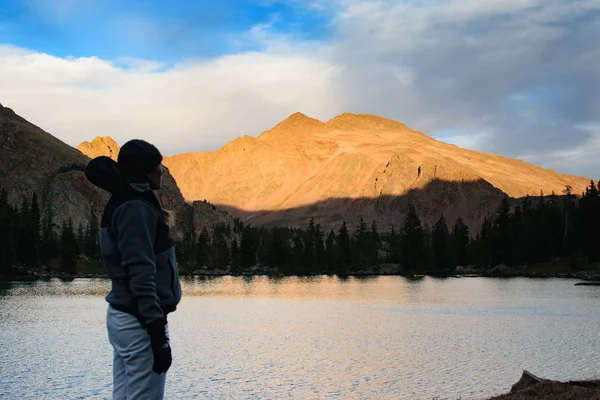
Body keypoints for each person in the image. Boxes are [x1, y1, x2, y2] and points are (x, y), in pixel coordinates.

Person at [85, 139, 182, 400]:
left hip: (127, 317)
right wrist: (156, 332)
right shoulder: (135, 207)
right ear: (146, 171)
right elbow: (140, 271)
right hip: (139, 321)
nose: (162, 170)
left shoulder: (130, 199)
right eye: (157, 165)